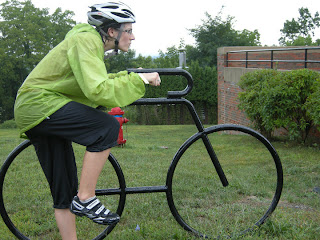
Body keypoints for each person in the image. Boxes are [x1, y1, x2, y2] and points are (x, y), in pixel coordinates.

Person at [13, 2, 161, 239]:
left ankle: (78, 203)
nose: (133, 36)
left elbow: (95, 80)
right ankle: (86, 197)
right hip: (41, 104)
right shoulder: (86, 41)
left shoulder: (87, 43)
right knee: (107, 127)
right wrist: (139, 81)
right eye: (129, 30)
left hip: (37, 109)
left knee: (64, 191)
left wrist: (133, 77)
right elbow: (98, 89)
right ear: (112, 31)